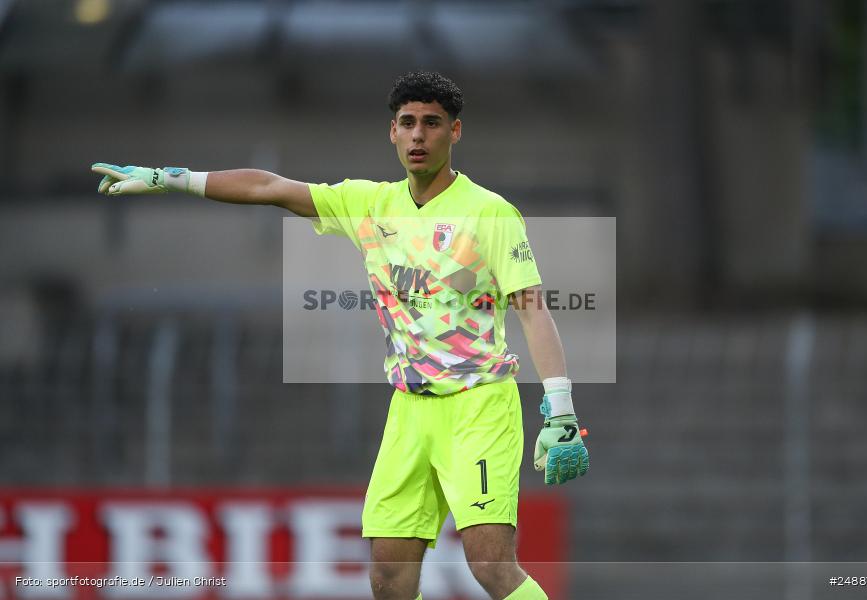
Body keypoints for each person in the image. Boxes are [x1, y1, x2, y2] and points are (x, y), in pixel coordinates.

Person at [92, 71, 588, 600]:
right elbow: (270, 188)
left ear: (456, 132)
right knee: (388, 575)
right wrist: (173, 178)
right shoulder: (370, 204)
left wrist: (561, 407)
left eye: (432, 124)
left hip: (479, 406)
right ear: (391, 133)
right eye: (408, 123)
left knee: (489, 563)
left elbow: (533, 310)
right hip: (410, 409)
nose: (418, 136)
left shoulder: (489, 212)